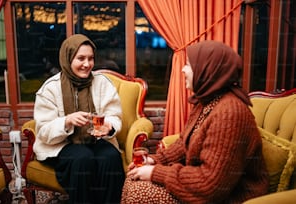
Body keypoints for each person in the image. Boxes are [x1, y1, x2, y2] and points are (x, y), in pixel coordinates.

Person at [121, 40, 269, 203]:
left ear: (208, 70)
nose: (183, 70)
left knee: (139, 192)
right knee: (134, 180)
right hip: (200, 185)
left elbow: (210, 185)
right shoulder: (206, 100)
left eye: (189, 65)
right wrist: (153, 160)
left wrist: (155, 172)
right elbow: (184, 144)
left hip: (230, 196)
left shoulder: (230, 113)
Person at [33, 34, 125, 204]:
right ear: (68, 59)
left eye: (90, 58)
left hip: (96, 140)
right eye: (80, 58)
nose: (87, 64)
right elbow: (43, 131)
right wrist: (67, 121)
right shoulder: (50, 88)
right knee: (82, 158)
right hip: (61, 144)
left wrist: (109, 127)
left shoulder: (102, 83)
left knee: (111, 157)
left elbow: (115, 115)